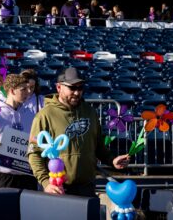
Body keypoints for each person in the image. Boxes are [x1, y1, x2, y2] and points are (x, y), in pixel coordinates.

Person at [27, 67, 130, 197]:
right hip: (59, 188)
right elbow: (34, 153)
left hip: (87, 187)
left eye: (80, 88)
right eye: (72, 88)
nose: (77, 93)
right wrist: (46, 183)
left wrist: (112, 160)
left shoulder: (90, 112)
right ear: (59, 88)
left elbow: (98, 145)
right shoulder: (45, 115)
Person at [0, 74, 37, 190]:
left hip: (27, 175)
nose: (28, 92)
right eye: (23, 89)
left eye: (28, 89)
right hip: (2, 175)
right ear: (12, 91)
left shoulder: (31, 115)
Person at [20, 69, 44, 134]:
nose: (29, 91)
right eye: (26, 87)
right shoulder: (15, 100)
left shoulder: (41, 100)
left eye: (32, 87)